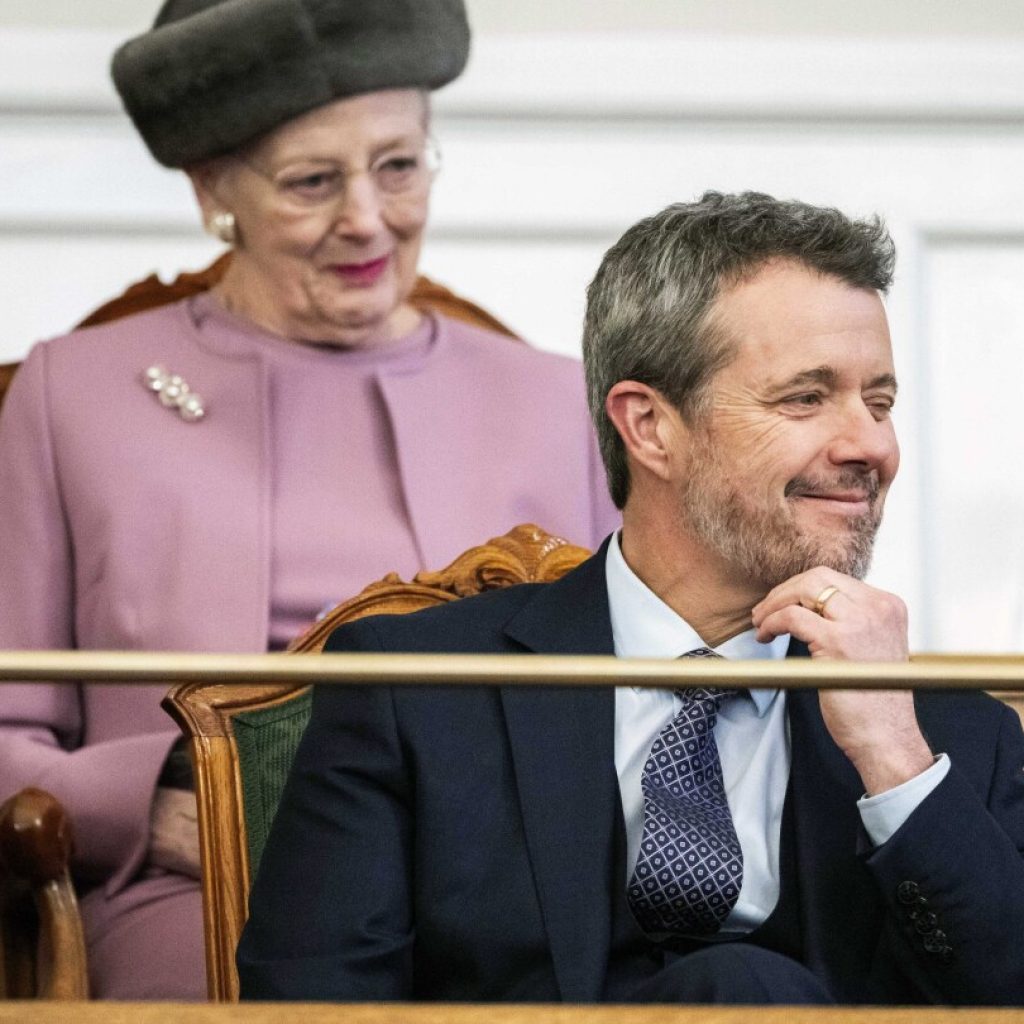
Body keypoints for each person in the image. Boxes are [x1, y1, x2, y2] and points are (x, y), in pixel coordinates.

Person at [238, 191, 1024, 1006]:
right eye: (805, 398)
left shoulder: (952, 739)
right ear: (649, 426)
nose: (871, 445)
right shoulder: (417, 688)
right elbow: (312, 1003)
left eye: (881, 402)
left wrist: (894, 759)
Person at [0, 0, 618, 1001]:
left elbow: (645, 696)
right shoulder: (70, 394)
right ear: (213, 191)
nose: (366, 218)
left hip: (511, 905)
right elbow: (6, 725)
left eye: (399, 165)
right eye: (311, 182)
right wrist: (140, 803)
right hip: (198, 895)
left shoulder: (556, 399)